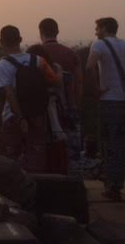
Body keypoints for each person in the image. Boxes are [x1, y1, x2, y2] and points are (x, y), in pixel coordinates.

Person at [86, 17, 125, 201]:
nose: (95, 32)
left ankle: (114, 186)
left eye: (97, 28)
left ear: (104, 28)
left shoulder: (100, 45)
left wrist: (96, 88)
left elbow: (89, 66)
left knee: (112, 144)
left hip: (111, 100)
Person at [0, 25, 59, 173]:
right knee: (36, 154)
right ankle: (36, 187)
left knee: (8, 158)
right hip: (38, 114)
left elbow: (9, 94)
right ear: (21, 40)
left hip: (13, 117)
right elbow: (55, 81)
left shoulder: (2, 65)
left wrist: (20, 118)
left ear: (1, 42)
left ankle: (13, 191)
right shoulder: (38, 60)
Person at [39, 18, 84, 176]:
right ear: (57, 32)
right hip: (68, 107)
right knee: (71, 151)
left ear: (41, 33)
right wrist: (76, 104)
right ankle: (74, 182)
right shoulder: (70, 53)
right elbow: (79, 81)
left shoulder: (36, 55)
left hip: (43, 109)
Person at [27, 44, 68, 175]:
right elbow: (59, 84)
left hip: (36, 110)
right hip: (56, 110)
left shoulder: (29, 68)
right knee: (57, 142)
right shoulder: (55, 68)